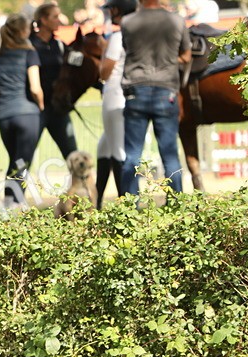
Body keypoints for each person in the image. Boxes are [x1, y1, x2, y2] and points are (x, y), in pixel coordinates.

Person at [118, 0, 191, 196]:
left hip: (136, 91)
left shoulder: (128, 21)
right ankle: (176, 204)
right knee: (170, 154)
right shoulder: (176, 21)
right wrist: (168, 60)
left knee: (132, 155)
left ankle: (129, 207)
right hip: (165, 91)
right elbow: (186, 55)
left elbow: (128, 49)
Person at [0, 14, 43, 206]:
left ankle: (9, 204)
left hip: (4, 114)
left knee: (14, 160)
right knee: (22, 162)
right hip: (27, 113)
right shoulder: (30, 53)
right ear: (23, 32)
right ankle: (17, 207)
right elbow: (35, 88)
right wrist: (41, 104)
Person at [96, 0, 137, 206]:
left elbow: (104, 72)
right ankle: (97, 201)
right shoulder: (137, 35)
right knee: (103, 147)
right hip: (127, 94)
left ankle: (127, 203)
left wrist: (104, 51)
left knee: (118, 151)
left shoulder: (118, 36)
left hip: (114, 94)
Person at [30, 3, 79, 158]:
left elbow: (77, 65)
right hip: (35, 109)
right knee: (23, 158)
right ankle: (13, 183)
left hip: (58, 108)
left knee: (73, 156)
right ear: (43, 20)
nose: (60, 21)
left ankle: (81, 183)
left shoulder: (59, 45)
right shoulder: (29, 44)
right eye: (55, 17)